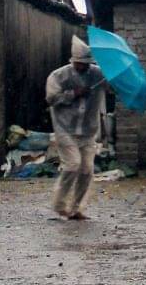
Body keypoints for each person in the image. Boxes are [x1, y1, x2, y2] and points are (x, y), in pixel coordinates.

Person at [45, 35, 107, 220]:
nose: (82, 67)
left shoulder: (98, 74)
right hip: (65, 128)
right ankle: (59, 205)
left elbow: (111, 88)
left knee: (87, 169)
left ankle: (76, 208)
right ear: (73, 61)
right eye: (79, 63)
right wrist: (73, 94)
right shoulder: (58, 76)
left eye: (85, 63)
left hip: (88, 130)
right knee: (72, 165)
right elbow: (51, 99)